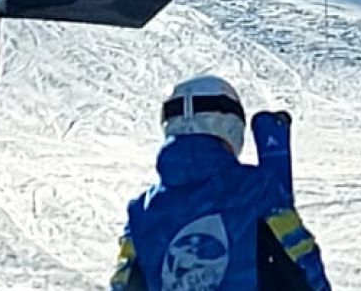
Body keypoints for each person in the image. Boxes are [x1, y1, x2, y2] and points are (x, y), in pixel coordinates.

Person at [110, 75, 332, 291]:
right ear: (231, 125)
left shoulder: (141, 211)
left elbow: (123, 283)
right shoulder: (257, 190)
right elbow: (305, 268)